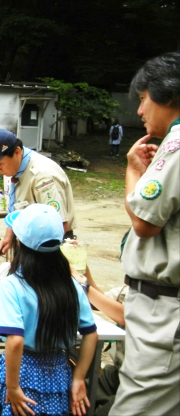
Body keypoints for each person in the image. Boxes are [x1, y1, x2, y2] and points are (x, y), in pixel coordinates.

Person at [109, 52, 180, 415]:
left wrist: (134, 170)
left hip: (165, 310)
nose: (139, 111)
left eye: (142, 98)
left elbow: (144, 222)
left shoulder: (177, 143)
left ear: (166, 94)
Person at [0, 204, 98, 416]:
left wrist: (13, 387)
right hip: (58, 374)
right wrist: (79, 377)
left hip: (21, 372)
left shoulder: (13, 285)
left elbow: (15, 341)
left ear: (18, 242)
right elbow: (91, 333)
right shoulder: (71, 285)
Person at [0, 129, 77, 253]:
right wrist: (8, 237)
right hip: (26, 241)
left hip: (49, 245)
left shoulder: (42, 175)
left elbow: (59, 224)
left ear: (17, 152)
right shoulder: (12, 168)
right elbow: (16, 209)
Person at [70, 264, 126, 415]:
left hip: (139, 378)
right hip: (117, 372)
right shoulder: (133, 286)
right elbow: (100, 301)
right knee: (69, 399)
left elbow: (124, 316)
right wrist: (82, 265)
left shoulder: (158, 291)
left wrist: (83, 286)